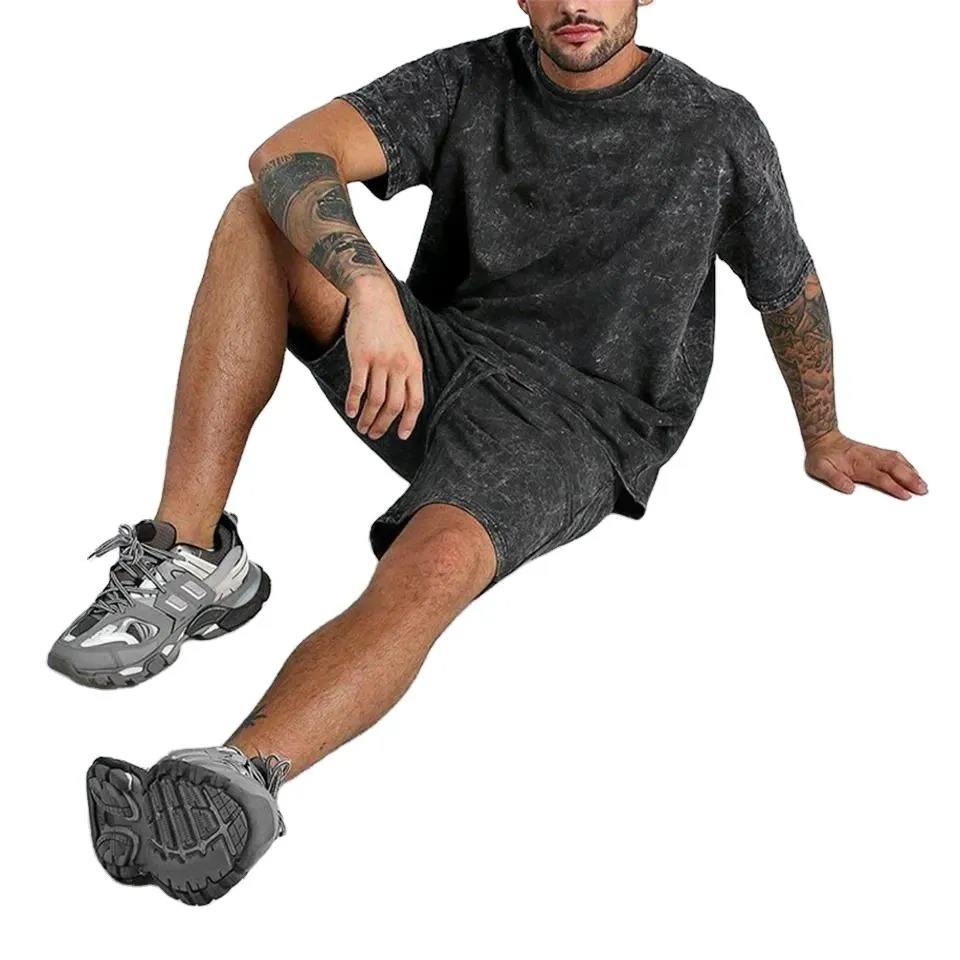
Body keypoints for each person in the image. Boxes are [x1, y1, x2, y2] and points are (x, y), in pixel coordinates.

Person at [56, 0, 928, 905]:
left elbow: (788, 287)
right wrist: (368, 287)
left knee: (436, 561)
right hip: (429, 362)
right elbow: (286, 152)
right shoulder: (472, 76)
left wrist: (824, 435)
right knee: (258, 215)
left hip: (581, 421)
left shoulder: (716, 127)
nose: (577, 3)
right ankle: (192, 553)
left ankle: (233, 782)